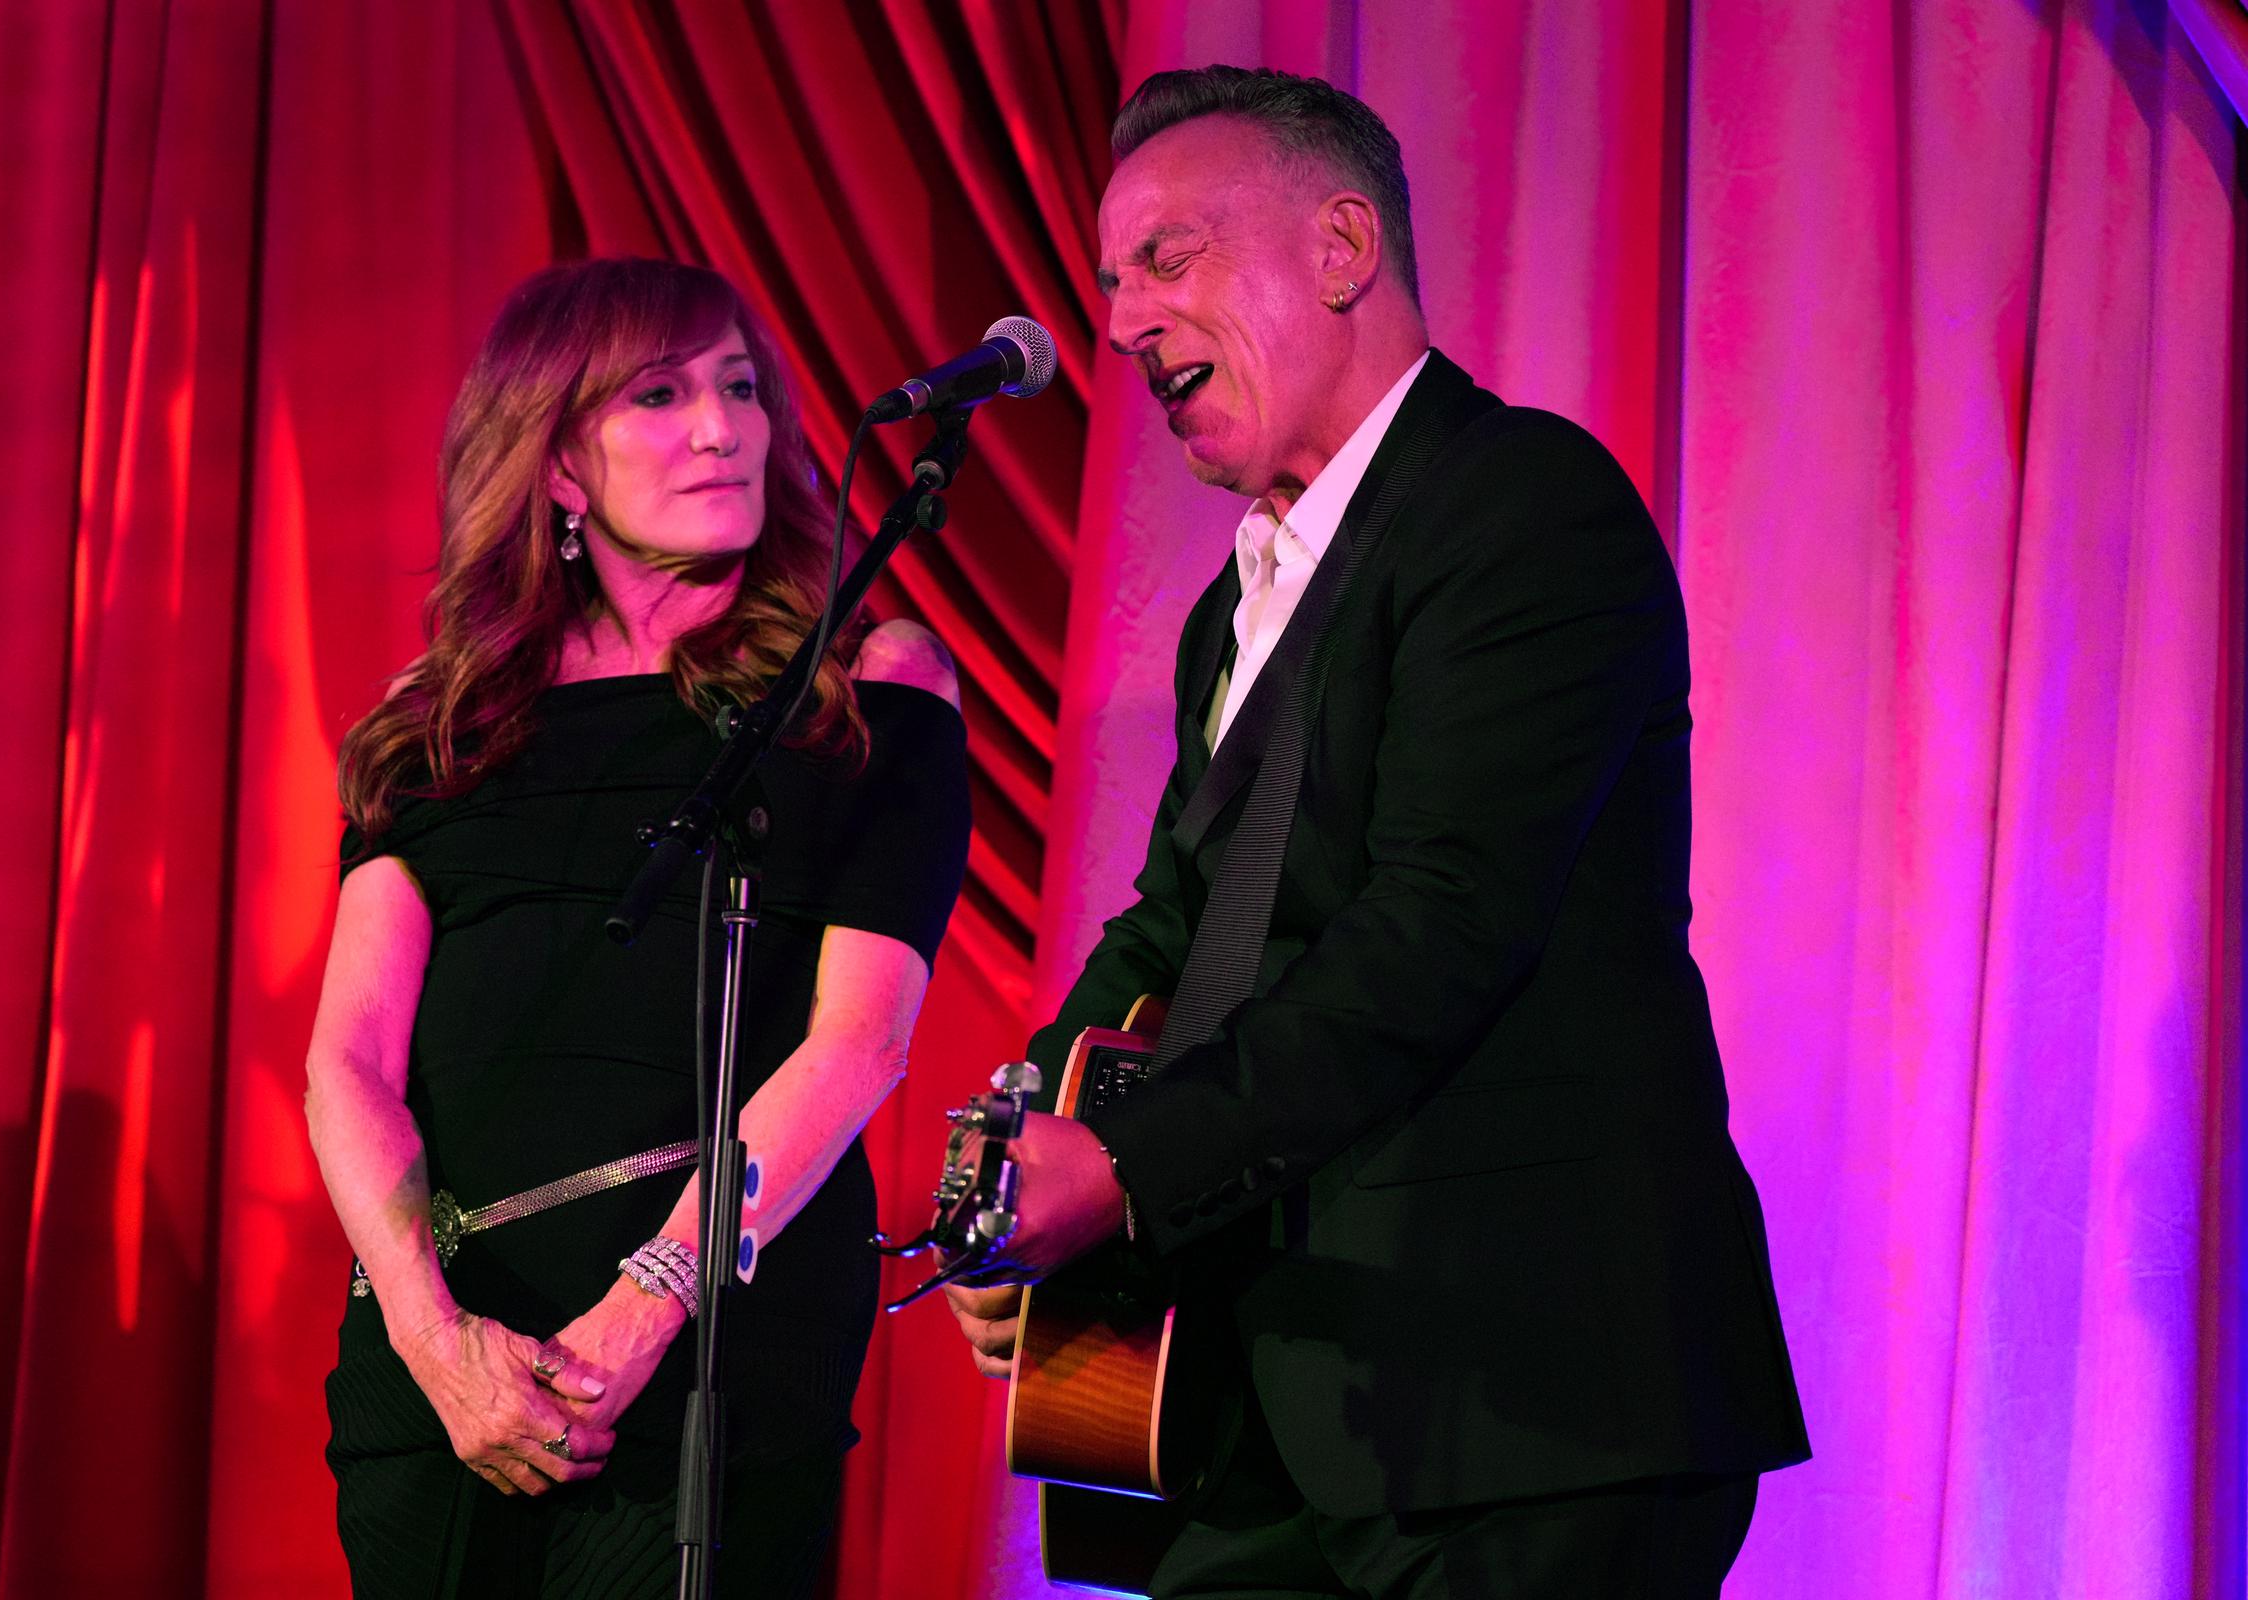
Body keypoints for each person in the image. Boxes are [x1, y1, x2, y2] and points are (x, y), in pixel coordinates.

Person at [944, 67, 1809, 1598]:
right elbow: (1171, 923)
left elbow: (1440, 929)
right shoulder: (1233, 606)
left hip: (1524, 1399)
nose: (1123, 321)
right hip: (1271, 1399)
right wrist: (1023, 1157)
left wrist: (1126, 1168)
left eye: (1167, 258)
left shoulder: (1527, 509)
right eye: (1107, 282)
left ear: (1342, 249)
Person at [304, 257, 968, 1598]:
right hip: (442, 1376)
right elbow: (348, 1065)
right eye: (658, 396)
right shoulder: (439, 723)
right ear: (553, 465)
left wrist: (645, 1307)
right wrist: (439, 1349)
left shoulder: (867, 681)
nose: (722, 428)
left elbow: (859, 1045)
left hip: (711, 1358)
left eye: (739, 388)